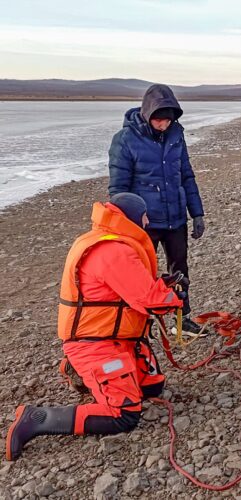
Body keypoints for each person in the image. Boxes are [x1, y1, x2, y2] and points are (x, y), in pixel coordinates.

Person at [6, 193, 186, 461]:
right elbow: (150, 301)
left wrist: (163, 284)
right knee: (124, 415)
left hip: (117, 338)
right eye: (145, 215)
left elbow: (124, 290)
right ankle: (36, 418)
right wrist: (175, 298)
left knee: (152, 387)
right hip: (94, 344)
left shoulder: (103, 238)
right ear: (134, 217)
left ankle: (78, 370)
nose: (148, 221)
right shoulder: (114, 250)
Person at [108, 83, 205, 333]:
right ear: (148, 114)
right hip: (144, 224)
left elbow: (186, 175)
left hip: (176, 219)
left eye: (168, 121)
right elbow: (118, 190)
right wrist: (127, 225)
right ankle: (140, 326)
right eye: (159, 120)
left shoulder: (176, 135)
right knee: (141, 277)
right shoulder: (124, 140)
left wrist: (197, 213)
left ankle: (183, 320)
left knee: (180, 271)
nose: (163, 125)